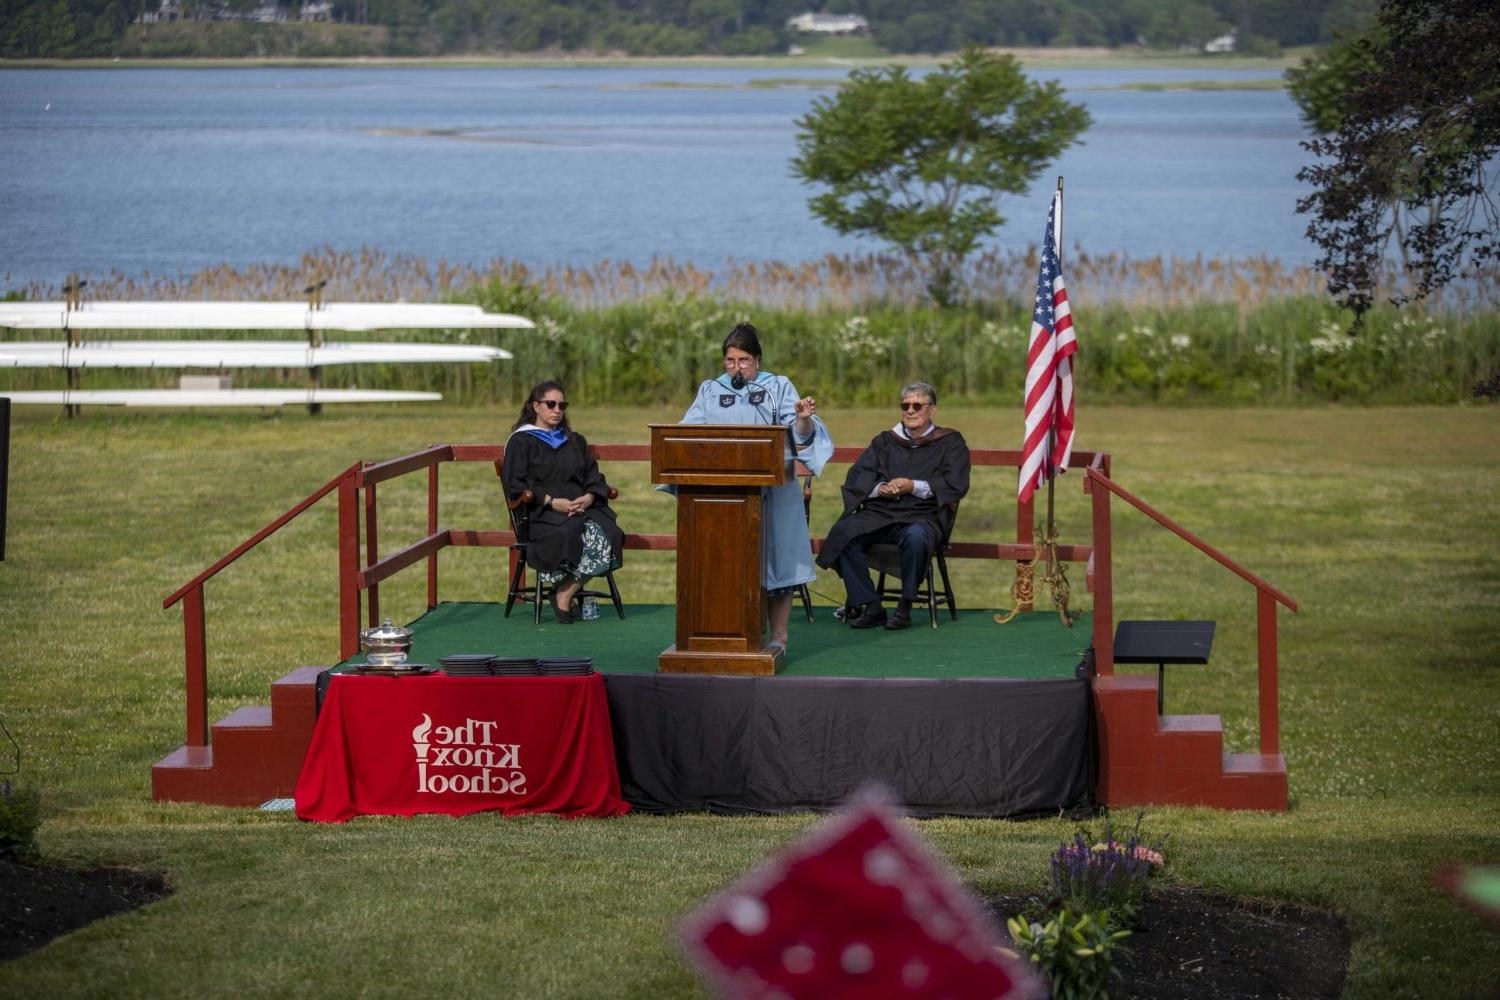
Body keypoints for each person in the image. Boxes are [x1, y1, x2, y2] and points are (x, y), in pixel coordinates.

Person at [678, 323, 833, 652]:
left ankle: (778, 637)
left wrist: (803, 417)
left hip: (774, 492)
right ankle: (731, 633)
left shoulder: (777, 388)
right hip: (724, 500)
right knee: (728, 563)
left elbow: (801, 432)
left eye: (744, 360)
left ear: (758, 360)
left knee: (779, 562)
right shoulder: (710, 390)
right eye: (731, 361)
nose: (737, 367)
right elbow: (686, 437)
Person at [816, 382, 970, 630]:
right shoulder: (885, 441)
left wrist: (912, 486)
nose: (910, 411)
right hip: (881, 513)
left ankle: (905, 606)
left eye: (917, 405)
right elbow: (858, 476)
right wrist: (880, 488)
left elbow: (956, 482)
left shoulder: (950, 442)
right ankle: (870, 605)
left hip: (923, 515)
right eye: (905, 405)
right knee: (844, 532)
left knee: (917, 536)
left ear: (932, 410)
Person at [502, 380, 624, 624]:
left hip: (581, 510)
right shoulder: (522, 441)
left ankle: (564, 590)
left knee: (612, 534)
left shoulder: (574, 440)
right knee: (569, 532)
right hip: (541, 513)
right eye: (551, 404)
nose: (557, 409)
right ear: (536, 406)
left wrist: (588, 498)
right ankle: (563, 592)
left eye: (562, 405)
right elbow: (514, 484)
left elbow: (593, 476)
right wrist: (549, 501)